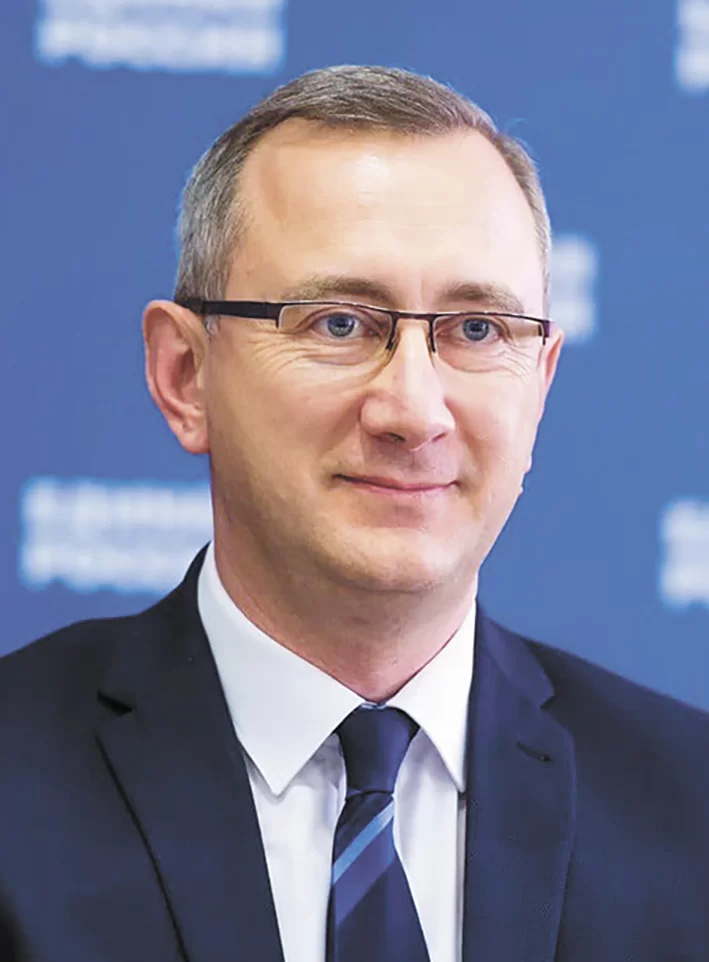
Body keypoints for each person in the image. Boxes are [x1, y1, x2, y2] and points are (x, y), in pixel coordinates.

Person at [1, 64, 708, 962]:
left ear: (539, 384)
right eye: (338, 323)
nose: (412, 411)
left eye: (477, 329)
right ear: (185, 376)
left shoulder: (690, 810)